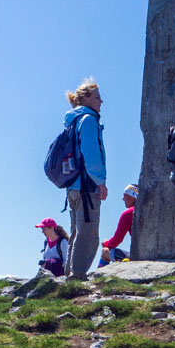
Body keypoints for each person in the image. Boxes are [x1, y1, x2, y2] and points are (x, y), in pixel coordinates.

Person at [62, 78, 107, 276]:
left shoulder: (72, 120)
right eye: (97, 97)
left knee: (76, 232)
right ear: (87, 99)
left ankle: (70, 274)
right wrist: (100, 181)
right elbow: (91, 154)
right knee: (88, 234)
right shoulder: (88, 120)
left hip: (72, 186)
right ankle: (78, 276)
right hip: (87, 186)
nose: (101, 101)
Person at [98, 184, 138, 266]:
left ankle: (98, 276)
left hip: (137, 257)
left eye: (125, 196)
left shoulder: (128, 213)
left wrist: (106, 244)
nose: (123, 199)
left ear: (132, 197)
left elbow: (117, 240)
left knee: (105, 251)